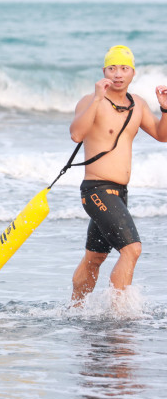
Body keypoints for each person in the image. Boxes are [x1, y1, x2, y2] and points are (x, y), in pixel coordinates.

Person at [69, 45, 167, 305]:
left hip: (120, 193)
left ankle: (75, 309)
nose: (118, 74)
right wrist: (97, 99)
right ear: (104, 71)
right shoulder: (90, 101)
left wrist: (165, 109)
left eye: (124, 68)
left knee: (95, 257)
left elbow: (162, 135)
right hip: (97, 190)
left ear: (133, 72)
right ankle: (118, 313)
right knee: (132, 249)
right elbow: (76, 134)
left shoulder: (138, 105)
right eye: (112, 68)